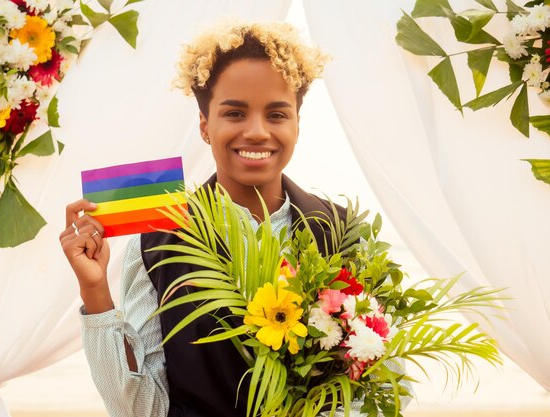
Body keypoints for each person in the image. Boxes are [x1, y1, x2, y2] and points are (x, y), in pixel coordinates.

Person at [60, 21, 406, 417]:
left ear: (297, 124)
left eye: (277, 115)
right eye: (235, 113)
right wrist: (95, 292)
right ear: (206, 127)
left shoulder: (345, 234)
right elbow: (141, 409)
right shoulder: (158, 241)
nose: (257, 132)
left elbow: (388, 385)